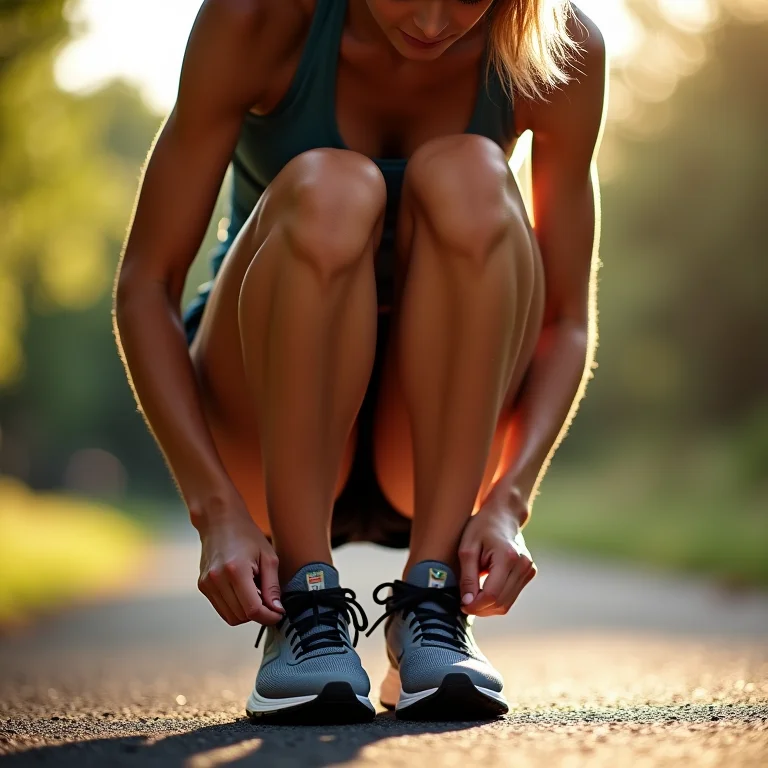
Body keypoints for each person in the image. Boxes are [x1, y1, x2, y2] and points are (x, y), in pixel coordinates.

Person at [114, 0, 605, 724]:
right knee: (332, 186)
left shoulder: (561, 49)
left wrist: (508, 500)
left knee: (475, 169)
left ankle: (433, 603)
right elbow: (145, 286)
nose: (435, 25)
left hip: (432, 436)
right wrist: (214, 507)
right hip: (267, 413)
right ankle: (305, 607)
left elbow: (565, 319)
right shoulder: (255, 21)